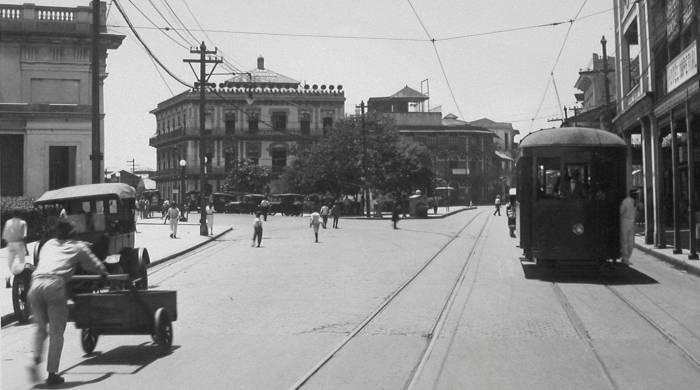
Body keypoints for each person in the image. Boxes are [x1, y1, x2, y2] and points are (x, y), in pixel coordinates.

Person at [27, 219, 108, 386]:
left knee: (40, 329)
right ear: (73, 234)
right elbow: (94, 265)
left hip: (35, 284)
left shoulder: (49, 244)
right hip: (54, 285)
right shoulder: (78, 246)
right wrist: (104, 274)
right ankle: (52, 374)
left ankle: (34, 359)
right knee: (57, 332)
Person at [2, 209, 30, 287]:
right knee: (21, 263)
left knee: (10, 263)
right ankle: (21, 283)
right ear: (20, 214)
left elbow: (4, 236)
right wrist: (26, 249)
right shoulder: (23, 223)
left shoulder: (8, 222)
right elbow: (24, 236)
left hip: (10, 244)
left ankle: (8, 278)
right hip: (19, 243)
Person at [620, 190, 637, 265]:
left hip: (631, 222)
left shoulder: (635, 202)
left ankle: (627, 257)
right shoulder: (626, 201)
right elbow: (621, 211)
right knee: (625, 241)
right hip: (625, 222)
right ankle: (625, 258)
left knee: (631, 241)